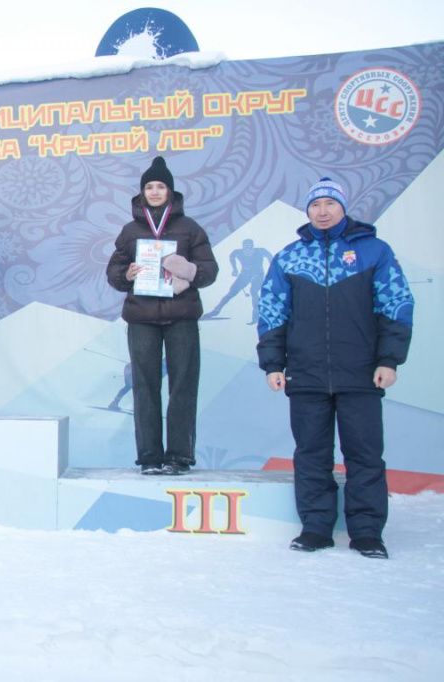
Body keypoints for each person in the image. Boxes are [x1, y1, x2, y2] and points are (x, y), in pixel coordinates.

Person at [257, 177, 414, 559]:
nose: (322, 211)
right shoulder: (291, 257)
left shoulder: (373, 251)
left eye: (330, 204)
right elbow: (272, 311)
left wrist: (388, 360)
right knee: (311, 453)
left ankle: (367, 532)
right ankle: (316, 527)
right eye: (315, 205)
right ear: (307, 211)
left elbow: (396, 305)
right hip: (306, 373)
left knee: (364, 455)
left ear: (343, 207)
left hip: (361, 372)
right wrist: (273, 364)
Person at [105, 157, 218, 475]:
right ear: (142, 193)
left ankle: (179, 456)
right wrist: (126, 274)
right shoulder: (130, 231)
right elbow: (113, 273)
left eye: (160, 186)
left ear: (171, 191)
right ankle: (149, 457)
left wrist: (189, 270)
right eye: (149, 187)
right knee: (144, 386)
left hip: (181, 316)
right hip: (141, 318)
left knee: (183, 385)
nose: (154, 191)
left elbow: (209, 270)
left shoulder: (190, 228)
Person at [202, 239, 272, 324]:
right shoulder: (238, 252)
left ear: (253, 247)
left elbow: (270, 256)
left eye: (250, 248)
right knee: (231, 292)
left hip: (258, 275)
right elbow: (232, 256)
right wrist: (234, 269)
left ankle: (256, 316)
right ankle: (216, 311)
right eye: (245, 248)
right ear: (243, 248)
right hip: (244, 275)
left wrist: (272, 269)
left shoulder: (260, 251)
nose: (248, 251)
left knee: (253, 292)